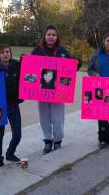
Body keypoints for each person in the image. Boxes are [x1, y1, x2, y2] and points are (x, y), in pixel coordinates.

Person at [31, 24, 80, 154]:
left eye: (53, 34)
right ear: (45, 36)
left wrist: (77, 62)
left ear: (57, 37)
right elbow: (30, 69)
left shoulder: (63, 51)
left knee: (58, 118)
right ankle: (47, 140)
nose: (51, 37)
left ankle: (58, 140)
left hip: (58, 92)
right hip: (42, 91)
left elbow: (71, 68)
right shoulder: (37, 51)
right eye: (49, 34)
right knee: (44, 118)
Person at [0, 44, 24, 167]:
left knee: (18, 133)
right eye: (2, 52)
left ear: (10, 53)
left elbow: (30, 70)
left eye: (7, 51)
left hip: (13, 104)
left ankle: (10, 153)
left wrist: (26, 59)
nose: (5, 54)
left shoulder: (16, 65)